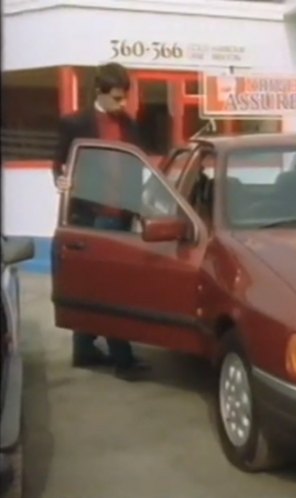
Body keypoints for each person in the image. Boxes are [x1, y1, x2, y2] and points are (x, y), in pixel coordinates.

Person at [52, 62, 149, 381]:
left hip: (123, 218)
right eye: (117, 98)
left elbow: (138, 167)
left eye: (125, 98)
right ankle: (124, 360)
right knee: (110, 291)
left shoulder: (130, 126)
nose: (123, 105)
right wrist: (61, 181)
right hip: (92, 219)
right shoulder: (75, 124)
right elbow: (60, 166)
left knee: (101, 289)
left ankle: (84, 350)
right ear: (100, 93)